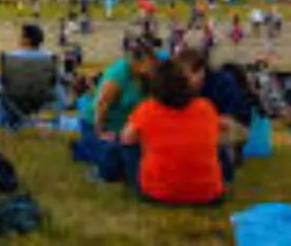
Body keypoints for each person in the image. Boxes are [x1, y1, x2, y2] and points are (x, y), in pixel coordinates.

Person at [119, 59, 227, 205]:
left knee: (128, 148)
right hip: (208, 195)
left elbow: (126, 138)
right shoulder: (205, 107)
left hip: (158, 194)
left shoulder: (147, 110)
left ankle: (135, 181)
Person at [75, 35, 161, 180]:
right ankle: (84, 147)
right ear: (136, 62)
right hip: (103, 124)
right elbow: (101, 105)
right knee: (113, 155)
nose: (153, 67)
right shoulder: (118, 74)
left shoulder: (155, 68)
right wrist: (100, 131)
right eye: (149, 63)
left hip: (128, 127)